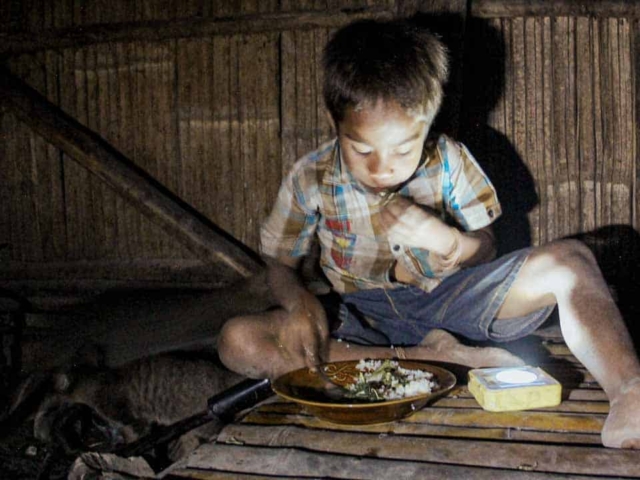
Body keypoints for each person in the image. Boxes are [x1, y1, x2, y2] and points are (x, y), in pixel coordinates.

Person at [218, 19, 640, 449]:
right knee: (239, 340)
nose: (383, 168)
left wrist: (450, 243)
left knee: (569, 262)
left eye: (403, 149)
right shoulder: (310, 177)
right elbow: (279, 266)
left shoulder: (449, 161)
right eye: (362, 149)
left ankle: (629, 393)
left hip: (454, 295)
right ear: (335, 119)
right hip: (362, 316)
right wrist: (298, 301)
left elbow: (487, 248)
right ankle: (440, 358)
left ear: (427, 122)